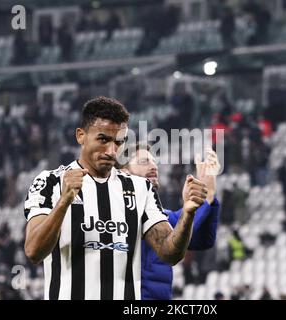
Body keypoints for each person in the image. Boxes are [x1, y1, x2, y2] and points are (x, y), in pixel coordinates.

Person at [23, 96, 208, 300]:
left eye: (118, 142)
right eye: (103, 139)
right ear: (81, 136)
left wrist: (188, 213)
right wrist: (64, 202)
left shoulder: (141, 188)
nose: (112, 151)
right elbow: (34, 251)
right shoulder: (50, 182)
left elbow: (170, 253)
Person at [120, 144, 220, 300]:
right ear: (124, 171)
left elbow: (202, 240)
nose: (154, 166)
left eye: (154, 162)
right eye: (144, 161)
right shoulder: (114, 210)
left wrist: (207, 197)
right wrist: (206, 198)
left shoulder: (161, 215)